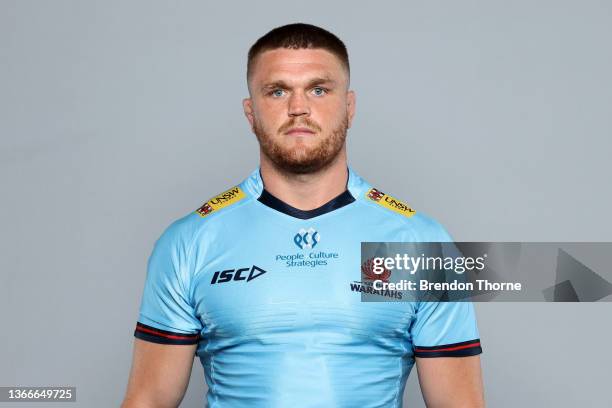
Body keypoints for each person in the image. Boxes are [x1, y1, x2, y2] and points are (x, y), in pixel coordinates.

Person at [121, 23, 484, 408]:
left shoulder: (419, 243)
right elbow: (149, 399)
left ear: (349, 106)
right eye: (277, 91)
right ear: (250, 112)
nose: (298, 108)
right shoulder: (188, 241)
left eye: (318, 89)